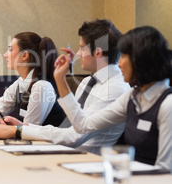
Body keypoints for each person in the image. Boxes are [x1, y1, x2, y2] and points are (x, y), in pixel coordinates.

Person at [0, 19, 131, 155]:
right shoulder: (86, 82)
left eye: (82, 48)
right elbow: (67, 129)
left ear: (98, 52)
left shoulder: (116, 88)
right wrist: (24, 127)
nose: (78, 54)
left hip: (89, 159)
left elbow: (74, 137)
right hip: (67, 151)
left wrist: (18, 131)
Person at [53, 26, 172, 171]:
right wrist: (60, 79)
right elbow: (83, 125)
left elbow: (165, 169)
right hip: (131, 178)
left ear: (140, 59)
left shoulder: (167, 105)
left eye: (124, 56)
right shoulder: (132, 96)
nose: (119, 63)